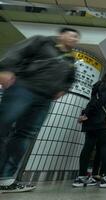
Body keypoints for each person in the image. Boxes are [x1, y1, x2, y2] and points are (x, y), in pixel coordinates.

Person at [0, 28, 80, 193]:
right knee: (3, 124)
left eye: (77, 38)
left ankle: (6, 178)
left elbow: (71, 79)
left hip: (45, 98)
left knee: (25, 135)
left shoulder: (71, 60)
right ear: (61, 35)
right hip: (23, 87)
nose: (74, 39)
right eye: (72, 35)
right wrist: (6, 69)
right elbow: (18, 51)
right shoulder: (42, 42)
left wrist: (63, 89)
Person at [74, 72, 106, 188]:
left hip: (91, 122)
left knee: (87, 148)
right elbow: (98, 102)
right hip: (99, 122)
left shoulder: (97, 86)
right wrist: (87, 114)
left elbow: (93, 100)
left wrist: (86, 114)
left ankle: (81, 177)